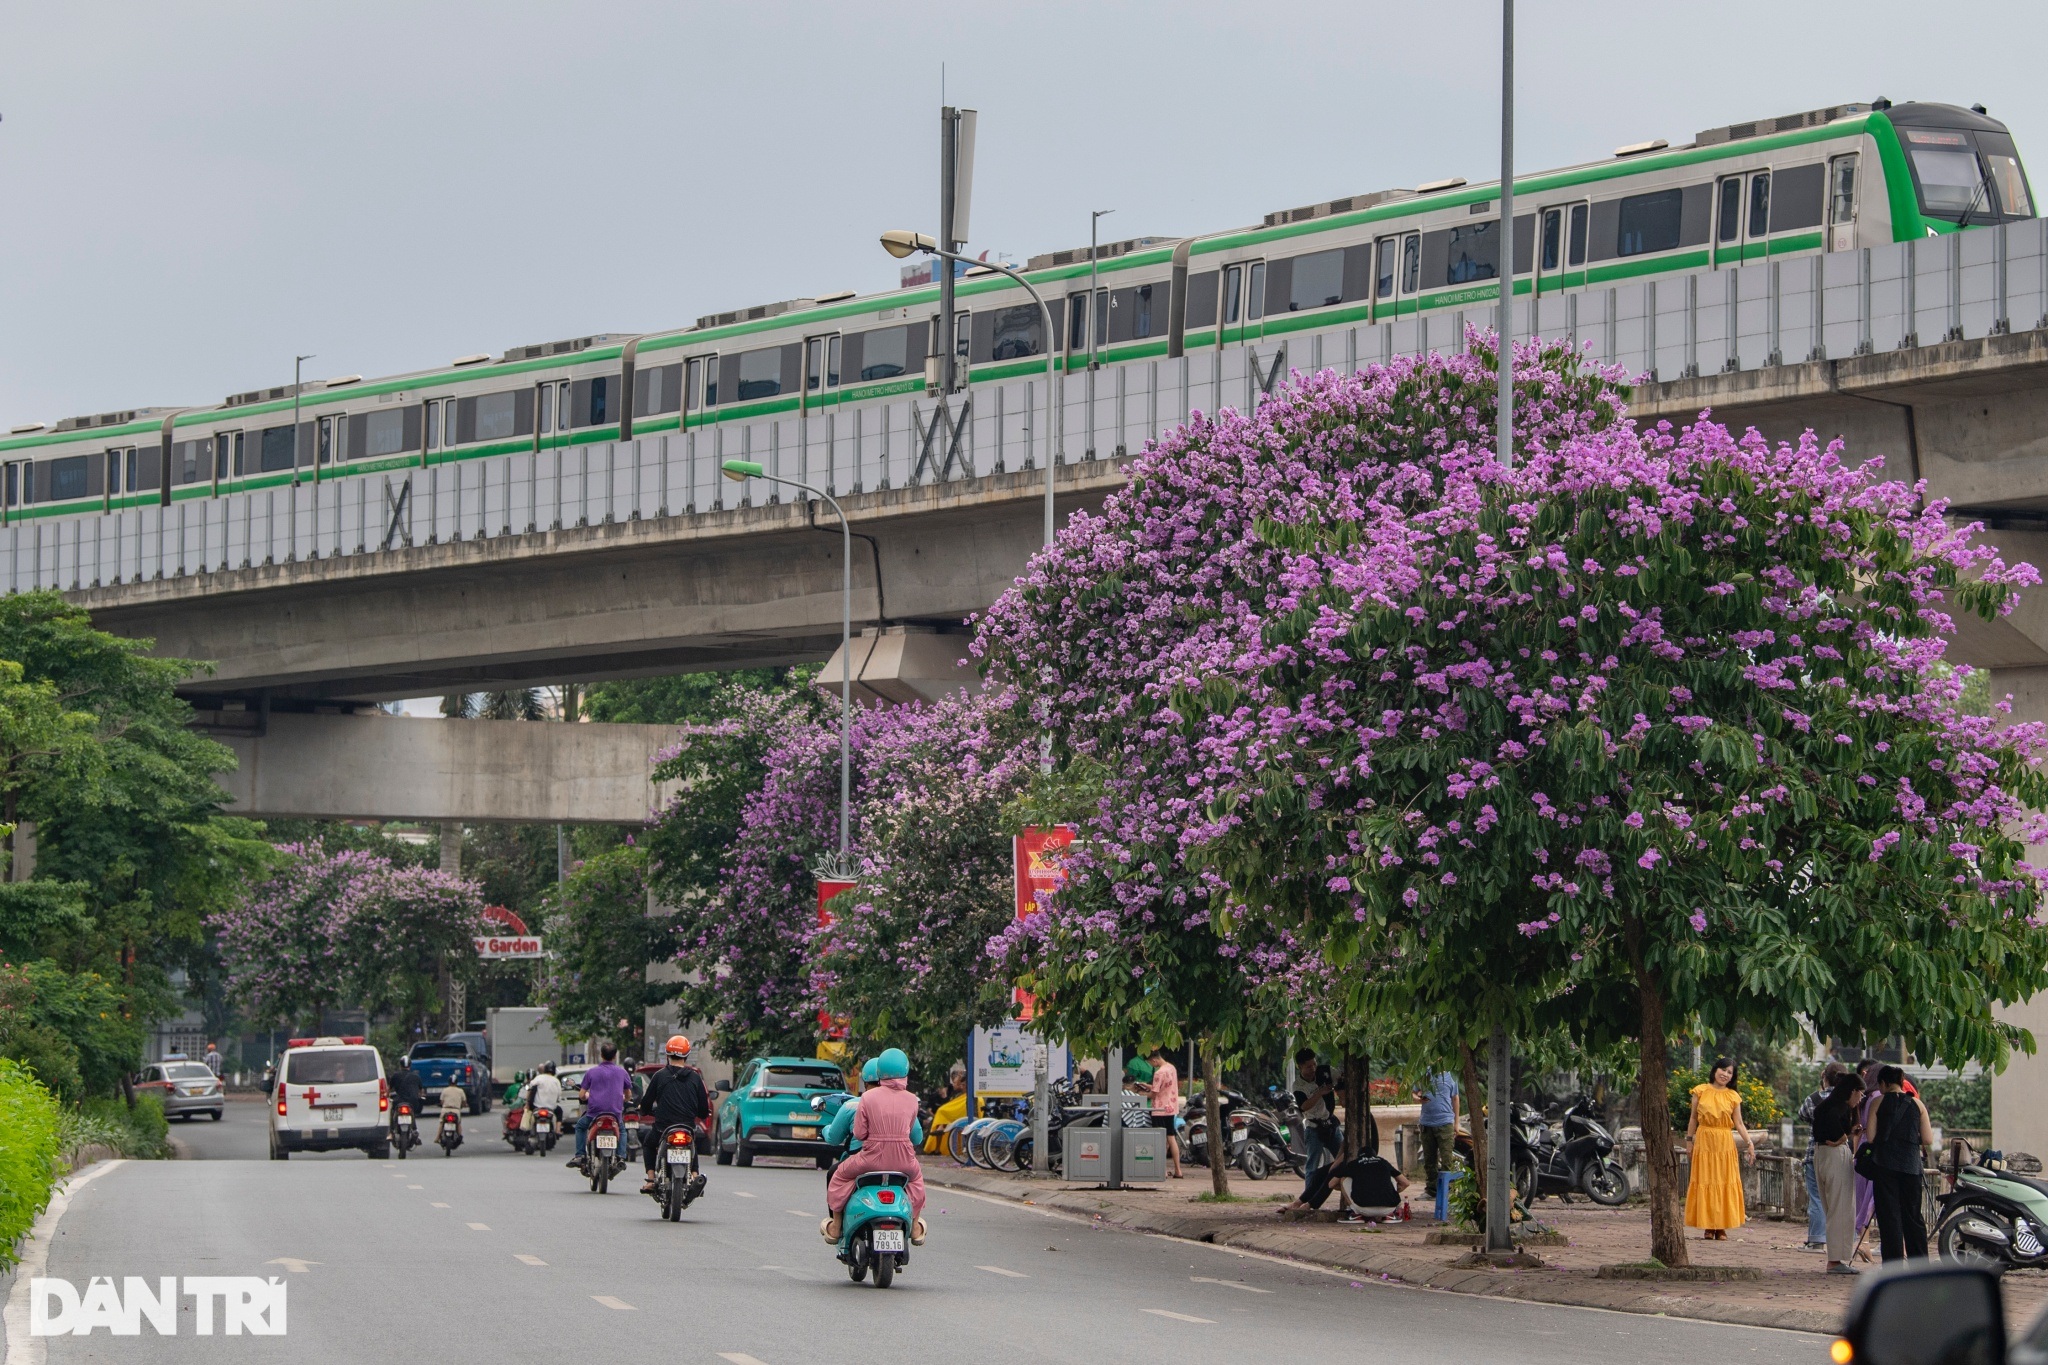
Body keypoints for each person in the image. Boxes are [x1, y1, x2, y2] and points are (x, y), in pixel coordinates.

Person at [824, 1048, 927, 1246]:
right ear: (905, 1071)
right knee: (917, 1181)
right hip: (904, 1161)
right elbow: (916, 1137)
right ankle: (914, 1225)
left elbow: (860, 1134)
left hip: (870, 1160)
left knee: (838, 1176)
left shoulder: (868, 1098)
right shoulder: (912, 1100)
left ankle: (836, 1225)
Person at [1683, 1055, 1755, 1240]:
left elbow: (1738, 1123)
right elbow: (1693, 1118)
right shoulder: (1700, 1091)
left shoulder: (1733, 1096)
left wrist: (1749, 1143)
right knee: (1706, 1180)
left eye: (1729, 1072)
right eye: (1723, 1069)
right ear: (1715, 1070)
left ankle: (1721, 1226)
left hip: (1724, 1142)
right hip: (1704, 1140)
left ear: (1732, 1077)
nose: (1725, 1074)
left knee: (1723, 1182)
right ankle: (1708, 1226)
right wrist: (1689, 1141)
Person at [1868, 1065, 1935, 1262]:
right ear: (1901, 1081)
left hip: (1884, 1166)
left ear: (1884, 1083)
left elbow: (1871, 1137)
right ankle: (1920, 1265)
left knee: (1890, 1218)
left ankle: (1893, 1266)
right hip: (1911, 1167)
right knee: (1913, 1216)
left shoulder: (1877, 1103)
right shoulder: (1917, 1105)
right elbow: (1928, 1139)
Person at [638, 1035, 710, 1192]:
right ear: (687, 1055)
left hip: (662, 1127)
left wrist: (644, 1111)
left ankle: (650, 1179)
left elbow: (646, 1102)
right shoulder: (695, 1078)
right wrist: (701, 1114)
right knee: (692, 1146)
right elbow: (704, 1108)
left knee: (649, 1145)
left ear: (668, 1054)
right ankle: (694, 1176)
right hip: (687, 1126)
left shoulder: (659, 1076)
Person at [1810, 1071, 1865, 1275]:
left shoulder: (1825, 1104)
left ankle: (1835, 1257)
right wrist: (1844, 1138)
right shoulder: (1840, 1107)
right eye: (1860, 1094)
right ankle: (1836, 1259)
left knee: (1831, 1207)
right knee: (1841, 1208)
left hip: (1820, 1154)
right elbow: (1835, 1130)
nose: (1860, 1099)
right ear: (1853, 1091)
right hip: (1835, 1155)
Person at [1795, 1062, 1849, 1250]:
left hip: (1815, 1152)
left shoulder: (1814, 1099)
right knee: (1838, 1199)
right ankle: (1838, 1243)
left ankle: (1817, 1239)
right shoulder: (1849, 1099)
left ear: (1824, 1077)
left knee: (1817, 1197)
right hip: (1842, 1154)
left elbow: (1803, 1115)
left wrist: (1822, 1087)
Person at [1281, 1152, 1409, 1222]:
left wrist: (1344, 1188)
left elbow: (1331, 1184)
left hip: (1362, 1209)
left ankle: (1355, 1213)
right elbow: (1406, 1183)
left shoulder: (1353, 1164)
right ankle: (1389, 1214)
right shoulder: (1384, 1162)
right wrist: (1390, 1191)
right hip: (1389, 1209)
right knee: (1392, 1177)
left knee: (1344, 1179)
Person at [569, 1041, 630, 1167]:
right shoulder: (622, 1072)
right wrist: (621, 1100)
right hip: (615, 1115)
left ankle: (580, 1155)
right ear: (615, 1056)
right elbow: (628, 1095)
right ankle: (621, 1157)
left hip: (594, 1114)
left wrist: (587, 1096)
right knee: (623, 1131)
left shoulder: (591, 1072)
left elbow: (581, 1095)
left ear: (601, 1054)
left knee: (580, 1127)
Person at [1294, 1049, 1341, 1191]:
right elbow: (1304, 1106)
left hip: (1330, 1123)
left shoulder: (1325, 1071)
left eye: (1314, 1064)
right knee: (1312, 1166)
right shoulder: (1298, 1086)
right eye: (1308, 1066)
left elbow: (1341, 1078)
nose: (1313, 1069)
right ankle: (1308, 1197)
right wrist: (1320, 1092)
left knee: (1343, 1158)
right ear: (1300, 1067)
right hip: (1313, 1127)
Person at [1137, 1047, 1184, 1178]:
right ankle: (1178, 1170)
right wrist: (1146, 1085)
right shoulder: (1171, 1068)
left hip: (1158, 1109)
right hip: (1170, 1108)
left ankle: (1161, 1170)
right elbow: (1164, 1088)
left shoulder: (1159, 1073)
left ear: (1154, 1060)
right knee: (1171, 1138)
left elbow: (1153, 1094)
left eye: (1151, 1063)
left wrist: (1142, 1094)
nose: (1152, 1065)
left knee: (1160, 1140)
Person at [1414, 1070, 1459, 1193]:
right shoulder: (1425, 1074)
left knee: (1447, 1159)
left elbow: (1455, 1098)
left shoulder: (1451, 1076)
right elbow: (1413, 1093)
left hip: (1445, 1122)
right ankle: (1431, 1189)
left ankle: (1447, 1189)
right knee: (1429, 1159)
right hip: (1426, 1122)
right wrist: (1418, 1098)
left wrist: (1456, 1123)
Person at [522, 1061, 562, 1135]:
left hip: (537, 1106)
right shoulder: (556, 1081)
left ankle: (528, 1129)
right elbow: (559, 1096)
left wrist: (527, 1102)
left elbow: (529, 1087)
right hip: (552, 1107)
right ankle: (558, 1130)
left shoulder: (538, 1078)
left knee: (528, 1113)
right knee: (559, 1111)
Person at [389, 1058, 426, 1138]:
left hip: (399, 1101)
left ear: (400, 1065)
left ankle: (391, 1132)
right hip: (413, 1101)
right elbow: (421, 1091)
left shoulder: (395, 1075)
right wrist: (420, 1096)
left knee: (392, 1112)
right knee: (412, 1112)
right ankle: (415, 1129)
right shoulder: (416, 1076)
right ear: (410, 1065)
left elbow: (388, 1089)